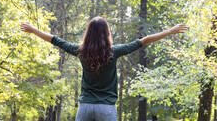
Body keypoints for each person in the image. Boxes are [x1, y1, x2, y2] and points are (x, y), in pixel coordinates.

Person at [20, 17, 188, 121]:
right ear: (106, 32)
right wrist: (169, 31)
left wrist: (33, 30)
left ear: (88, 33)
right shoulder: (114, 52)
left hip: (85, 106)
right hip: (106, 108)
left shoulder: (80, 51)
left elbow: (55, 40)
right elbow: (144, 40)